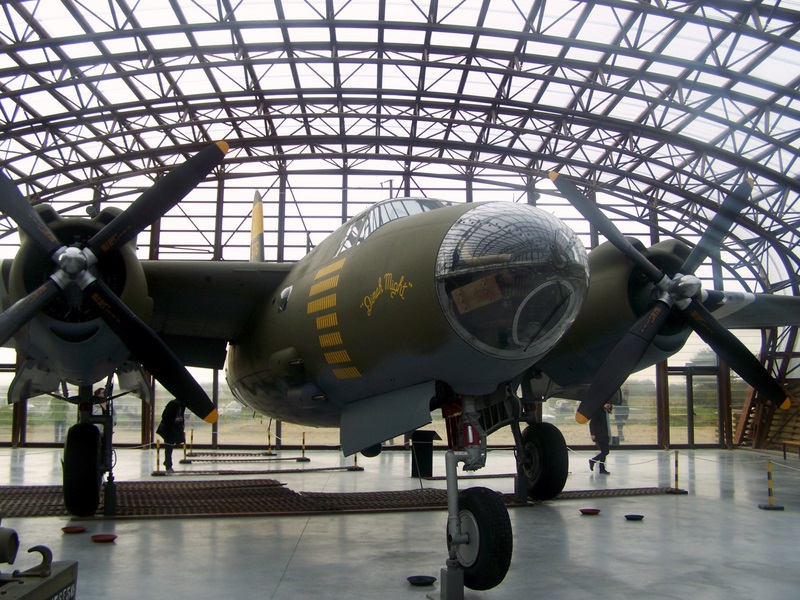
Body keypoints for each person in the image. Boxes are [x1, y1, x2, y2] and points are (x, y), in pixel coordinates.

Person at [157, 399, 186, 473]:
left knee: (170, 446)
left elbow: (181, 416)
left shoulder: (182, 405)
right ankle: (168, 465)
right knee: (169, 447)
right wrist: (175, 419)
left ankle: (167, 462)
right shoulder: (173, 404)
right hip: (168, 429)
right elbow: (164, 416)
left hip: (175, 428)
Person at [589, 402, 613, 474]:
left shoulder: (606, 412)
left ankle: (601, 468)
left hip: (605, 435)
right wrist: (593, 434)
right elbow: (592, 423)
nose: (608, 405)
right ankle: (594, 461)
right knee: (605, 451)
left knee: (604, 451)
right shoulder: (599, 412)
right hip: (600, 435)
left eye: (609, 404)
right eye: (606, 403)